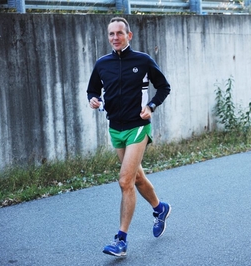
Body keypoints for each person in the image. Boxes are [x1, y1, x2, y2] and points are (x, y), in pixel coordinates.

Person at [87, 17, 171, 258]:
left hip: (138, 126)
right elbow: (93, 90)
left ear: (129, 35)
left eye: (119, 33)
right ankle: (160, 208)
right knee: (136, 178)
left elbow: (163, 87)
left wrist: (152, 106)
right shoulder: (102, 64)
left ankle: (121, 240)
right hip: (116, 127)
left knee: (125, 181)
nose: (115, 38)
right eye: (111, 34)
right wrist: (93, 99)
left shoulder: (143, 61)